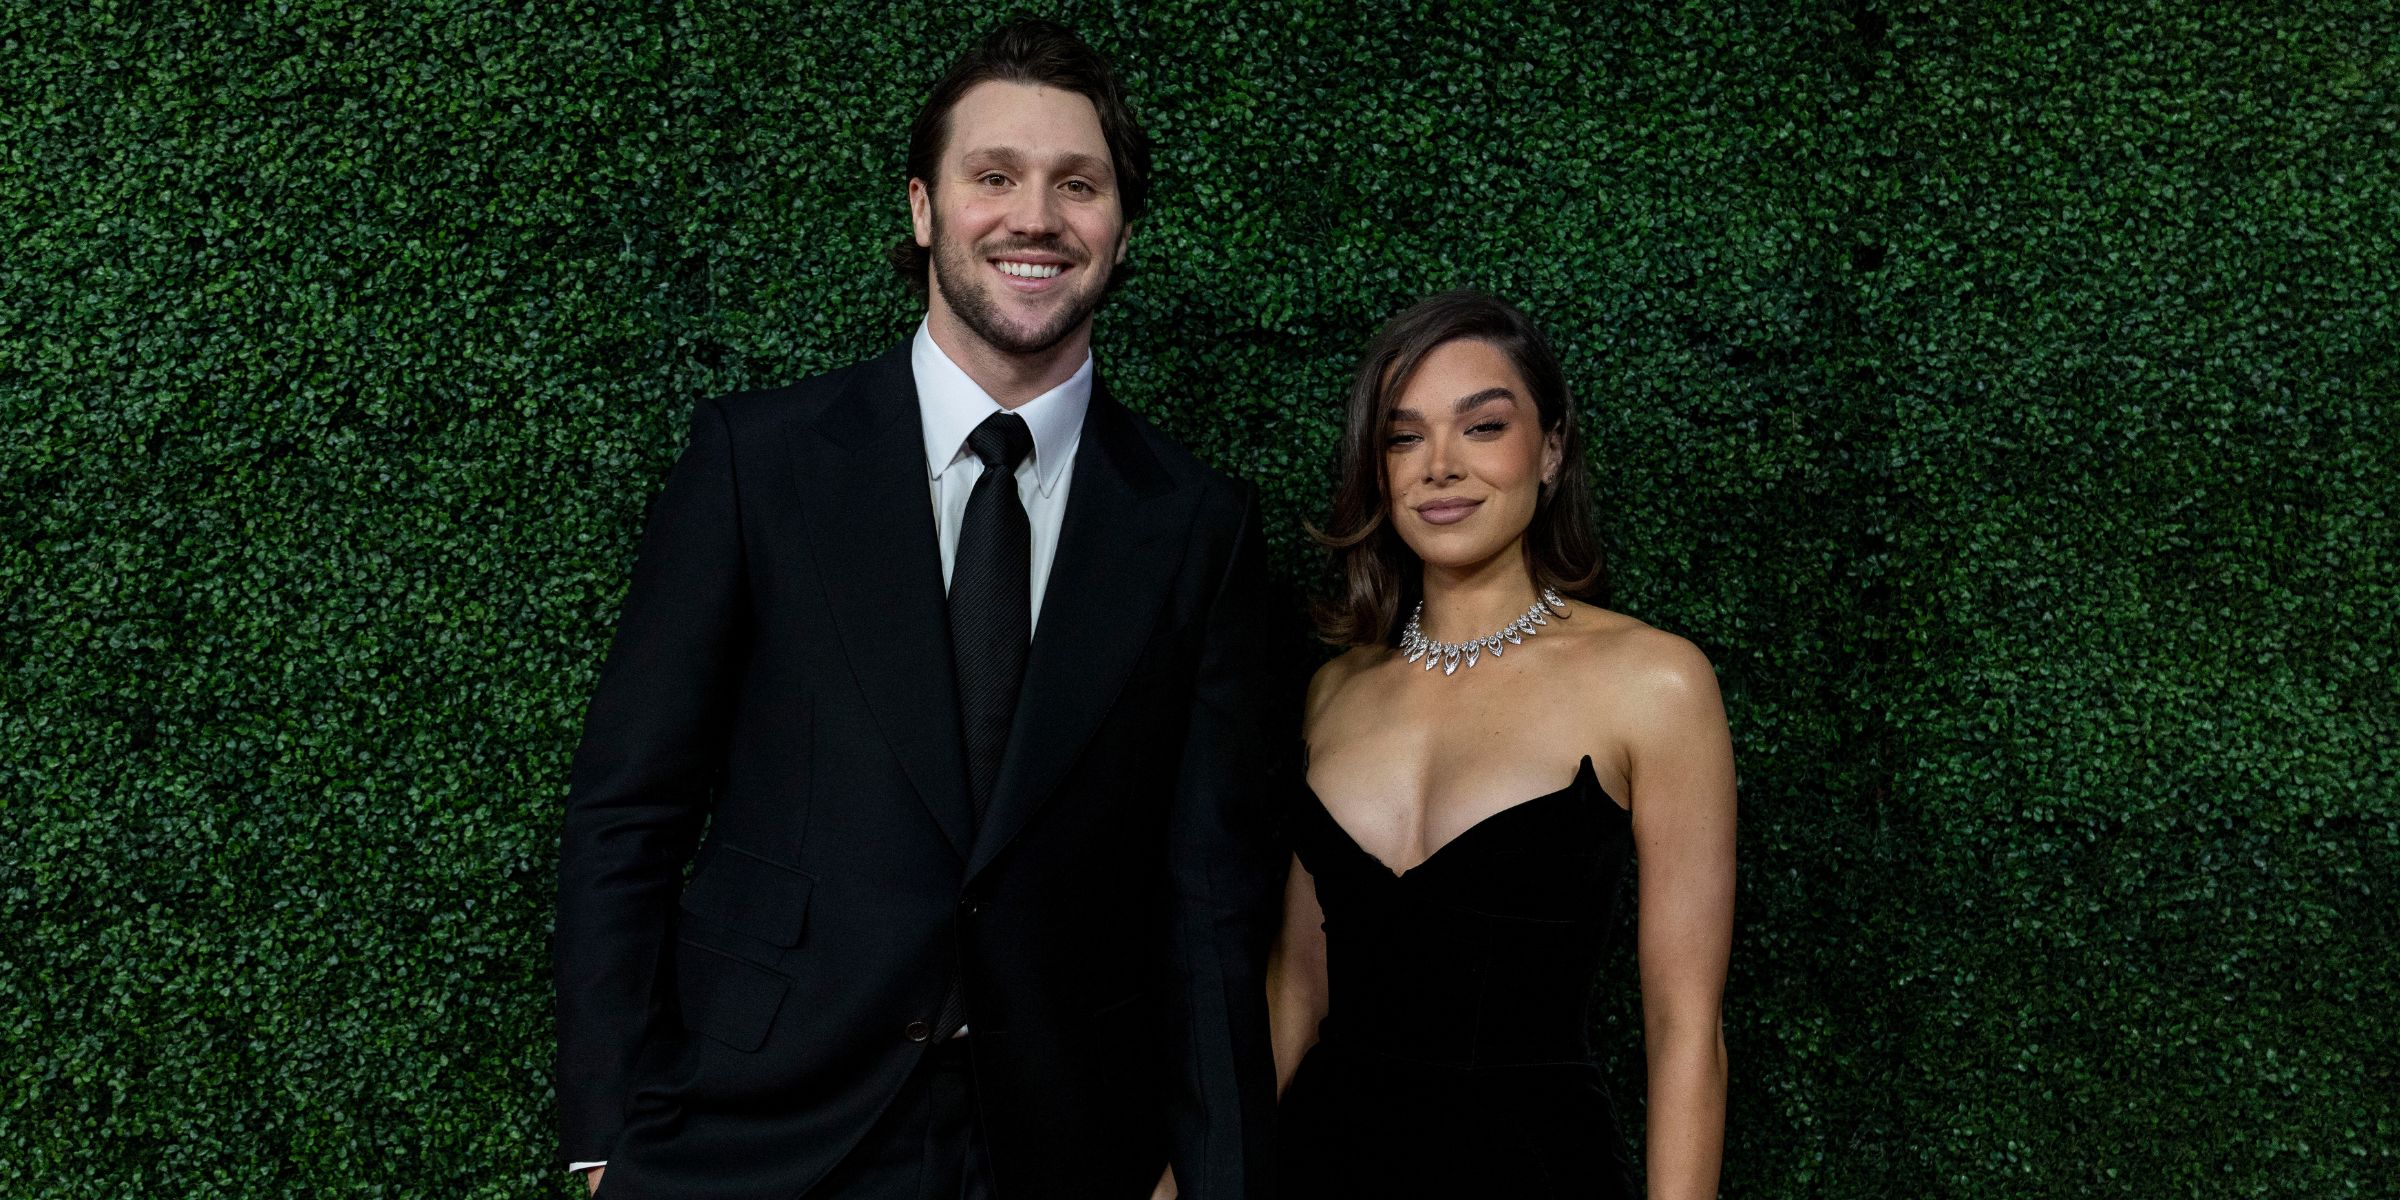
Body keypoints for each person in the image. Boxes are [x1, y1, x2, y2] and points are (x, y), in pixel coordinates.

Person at [553, 20, 1286, 1199]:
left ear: (1122, 229)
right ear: (923, 209)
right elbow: (627, 812)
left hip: (1061, 1150)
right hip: (750, 1136)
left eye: (1077, 185)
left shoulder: (1200, 528)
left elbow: (1209, 906)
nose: (1035, 217)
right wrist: (604, 1138)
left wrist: (1213, 1177)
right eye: (993, 176)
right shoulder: (759, 463)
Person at [1270, 291, 1735, 1197]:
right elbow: (1296, 991)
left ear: (1551, 449)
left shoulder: (1656, 683)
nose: (1440, 466)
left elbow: (1686, 1029)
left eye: (1482, 426)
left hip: (1538, 1168)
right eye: (1403, 438)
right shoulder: (1333, 691)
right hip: (1314, 1168)